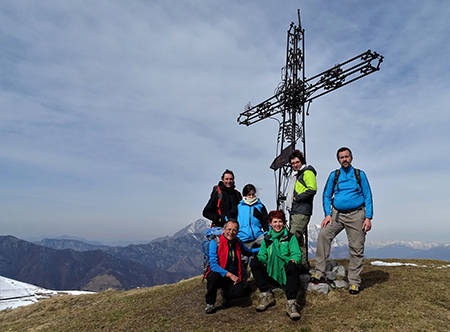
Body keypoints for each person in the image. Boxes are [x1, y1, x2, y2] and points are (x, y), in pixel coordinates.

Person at [313, 147, 373, 295]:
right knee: (323, 235)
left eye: (346, 157)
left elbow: (368, 196)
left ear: (351, 158)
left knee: (356, 247)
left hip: (357, 215)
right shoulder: (335, 175)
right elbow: (326, 195)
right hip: (337, 214)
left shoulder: (359, 175)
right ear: (338, 160)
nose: (344, 159)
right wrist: (328, 214)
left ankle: (354, 282)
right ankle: (319, 272)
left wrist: (368, 217)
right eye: (341, 157)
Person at [250, 210, 301, 320]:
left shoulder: (290, 237)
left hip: (286, 271)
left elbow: (296, 254)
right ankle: (266, 295)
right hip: (272, 271)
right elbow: (262, 255)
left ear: (284, 223)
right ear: (270, 223)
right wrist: (258, 259)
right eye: (275, 222)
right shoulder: (267, 239)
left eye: (280, 221)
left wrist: (292, 261)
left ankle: (291, 303)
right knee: (255, 263)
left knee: (293, 267)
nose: (277, 224)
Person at [204, 219, 259, 314]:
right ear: (223, 230)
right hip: (219, 274)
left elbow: (248, 252)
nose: (231, 232)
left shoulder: (237, 242)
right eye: (229, 229)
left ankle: (226, 296)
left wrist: (263, 249)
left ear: (237, 232)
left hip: (232, 274)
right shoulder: (215, 242)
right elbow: (213, 265)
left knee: (241, 292)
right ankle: (210, 303)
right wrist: (230, 275)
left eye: (234, 230)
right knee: (213, 277)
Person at [286, 149, 317, 272]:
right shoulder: (297, 174)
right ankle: (303, 265)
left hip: (302, 210)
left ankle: (293, 265)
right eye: (292, 163)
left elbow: (312, 189)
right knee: (299, 240)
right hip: (295, 210)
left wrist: (297, 198)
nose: (295, 165)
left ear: (301, 161)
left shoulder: (307, 172)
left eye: (297, 162)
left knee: (292, 237)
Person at [236, 184, 269, 283]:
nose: (251, 197)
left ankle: (267, 278)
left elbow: (265, 221)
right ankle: (243, 283)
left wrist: (267, 233)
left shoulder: (260, 206)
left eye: (253, 194)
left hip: (258, 236)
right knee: (242, 262)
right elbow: (231, 219)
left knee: (266, 253)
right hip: (243, 237)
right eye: (249, 194)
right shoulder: (238, 207)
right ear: (244, 194)